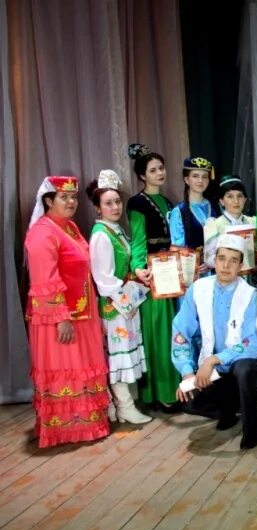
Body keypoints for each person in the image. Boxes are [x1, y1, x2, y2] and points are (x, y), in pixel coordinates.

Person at [25, 176, 111, 447]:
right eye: (64, 197)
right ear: (49, 201)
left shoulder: (70, 227)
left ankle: (88, 423)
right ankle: (67, 428)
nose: (72, 201)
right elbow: (43, 280)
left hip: (82, 312)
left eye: (73, 196)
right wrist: (61, 318)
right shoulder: (42, 233)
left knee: (83, 369)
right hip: (58, 319)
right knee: (67, 370)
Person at [171, 234, 257, 449]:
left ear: (241, 265)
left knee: (243, 369)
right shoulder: (198, 289)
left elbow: (252, 342)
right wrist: (187, 372)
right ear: (214, 261)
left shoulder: (251, 295)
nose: (226, 266)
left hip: (248, 363)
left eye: (233, 260)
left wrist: (214, 360)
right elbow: (181, 331)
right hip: (215, 369)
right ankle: (229, 408)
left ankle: (252, 428)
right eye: (222, 258)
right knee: (188, 402)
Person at [88, 171, 152, 425]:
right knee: (118, 353)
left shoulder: (116, 230)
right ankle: (124, 406)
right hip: (115, 306)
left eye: (117, 202)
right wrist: (126, 303)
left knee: (127, 350)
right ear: (98, 207)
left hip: (127, 302)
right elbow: (103, 279)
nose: (115, 207)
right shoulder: (101, 235)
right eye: (108, 203)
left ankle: (126, 404)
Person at [126, 143, 182, 412]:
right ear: (142, 175)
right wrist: (138, 267)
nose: (160, 173)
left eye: (161, 168)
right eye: (153, 170)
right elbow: (138, 238)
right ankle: (159, 392)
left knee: (172, 330)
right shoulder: (137, 203)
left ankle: (175, 387)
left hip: (170, 271)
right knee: (158, 332)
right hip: (153, 274)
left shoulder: (167, 201)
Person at [202, 174, 257, 269]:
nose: (236, 201)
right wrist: (231, 262)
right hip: (226, 276)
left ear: (245, 199)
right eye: (230, 196)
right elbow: (208, 259)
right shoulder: (214, 225)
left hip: (251, 278)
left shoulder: (254, 222)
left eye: (240, 196)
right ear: (221, 201)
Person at [169, 156, 219, 257]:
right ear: (187, 179)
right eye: (195, 176)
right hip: (193, 268)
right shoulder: (179, 211)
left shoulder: (215, 206)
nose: (200, 180)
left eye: (205, 176)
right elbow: (176, 249)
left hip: (218, 266)